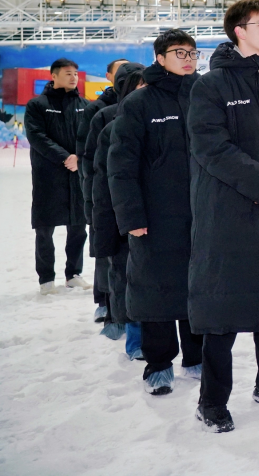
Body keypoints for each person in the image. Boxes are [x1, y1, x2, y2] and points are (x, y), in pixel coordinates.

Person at [187, 0, 259, 433]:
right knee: (222, 306)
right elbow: (210, 146)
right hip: (227, 208)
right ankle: (212, 401)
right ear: (239, 31)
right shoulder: (211, 85)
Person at [109, 30, 202, 395]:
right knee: (156, 289)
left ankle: (196, 356)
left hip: (200, 212)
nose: (188, 59)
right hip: (155, 216)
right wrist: (131, 217)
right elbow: (121, 165)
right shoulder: (139, 103)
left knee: (197, 286)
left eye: (193, 53)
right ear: (160, 58)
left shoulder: (203, 96)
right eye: (180, 52)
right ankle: (159, 364)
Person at [89, 63, 146, 353]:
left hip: (153, 215)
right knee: (122, 272)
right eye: (139, 86)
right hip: (119, 213)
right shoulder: (107, 121)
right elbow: (97, 176)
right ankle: (124, 327)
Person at [25, 58, 90, 295]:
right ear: (53, 76)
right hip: (48, 175)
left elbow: (91, 136)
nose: (73, 77)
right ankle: (46, 279)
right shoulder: (37, 105)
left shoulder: (84, 105)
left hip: (77, 174)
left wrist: (79, 158)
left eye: (75, 73)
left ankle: (73, 274)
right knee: (45, 229)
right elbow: (37, 136)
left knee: (78, 227)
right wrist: (65, 157)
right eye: (67, 73)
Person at [76, 57, 128, 318]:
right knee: (105, 247)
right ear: (110, 76)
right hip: (102, 188)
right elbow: (88, 157)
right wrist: (90, 197)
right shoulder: (98, 110)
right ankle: (103, 301)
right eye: (121, 71)